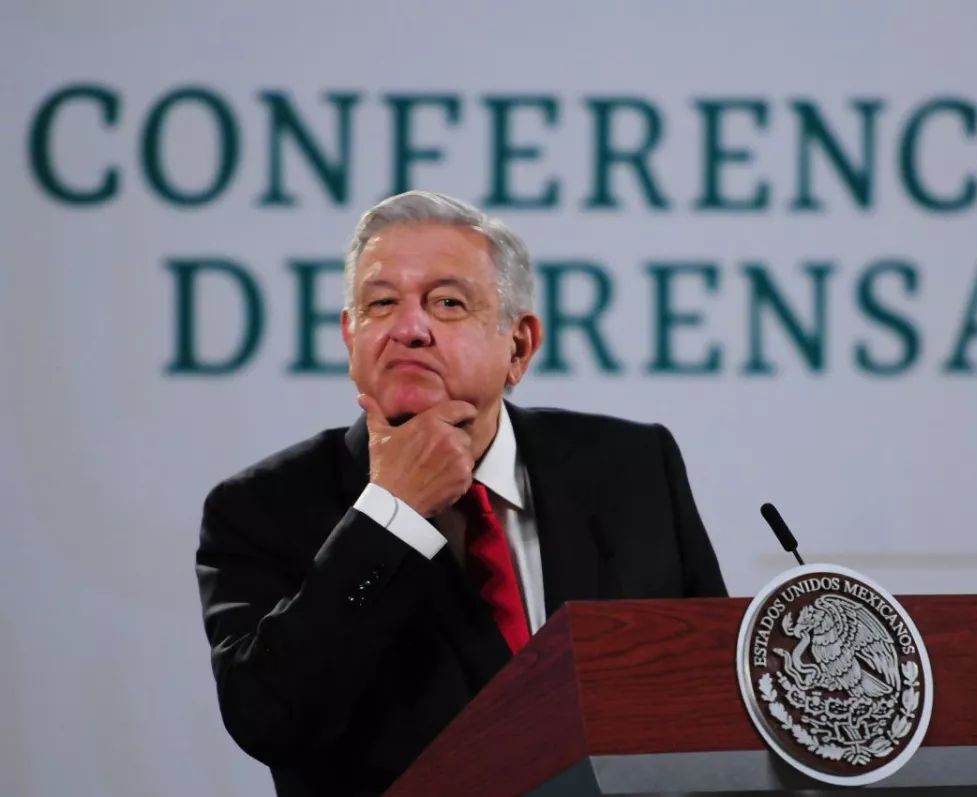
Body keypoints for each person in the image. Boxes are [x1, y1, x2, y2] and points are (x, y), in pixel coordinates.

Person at [194, 190, 728, 797]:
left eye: (447, 302)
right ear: (350, 338)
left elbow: (709, 703)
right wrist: (388, 517)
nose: (409, 328)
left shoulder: (633, 469)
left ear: (519, 346)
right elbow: (271, 721)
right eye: (381, 303)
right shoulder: (260, 509)